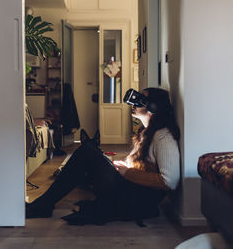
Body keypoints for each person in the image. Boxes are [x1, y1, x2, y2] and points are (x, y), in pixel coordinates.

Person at [26, 88, 180, 225]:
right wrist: (123, 165)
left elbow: (170, 181)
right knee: (90, 154)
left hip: (139, 198)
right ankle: (44, 204)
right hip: (131, 187)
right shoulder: (146, 132)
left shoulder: (163, 137)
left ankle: (43, 205)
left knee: (87, 151)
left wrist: (127, 172)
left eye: (140, 100)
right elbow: (142, 164)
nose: (133, 103)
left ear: (153, 107)